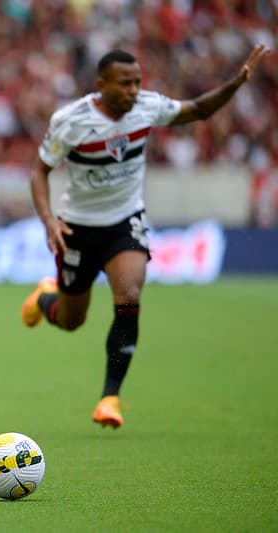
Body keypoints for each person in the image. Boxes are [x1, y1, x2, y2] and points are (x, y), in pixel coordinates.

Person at [20, 45, 270, 429]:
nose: (134, 90)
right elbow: (40, 171)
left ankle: (110, 397)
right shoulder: (71, 121)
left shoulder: (147, 107)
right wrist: (48, 220)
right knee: (71, 321)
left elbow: (198, 110)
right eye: (125, 83)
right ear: (101, 85)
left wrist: (235, 84)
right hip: (78, 226)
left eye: (137, 82)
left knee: (129, 295)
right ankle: (46, 296)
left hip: (125, 221)